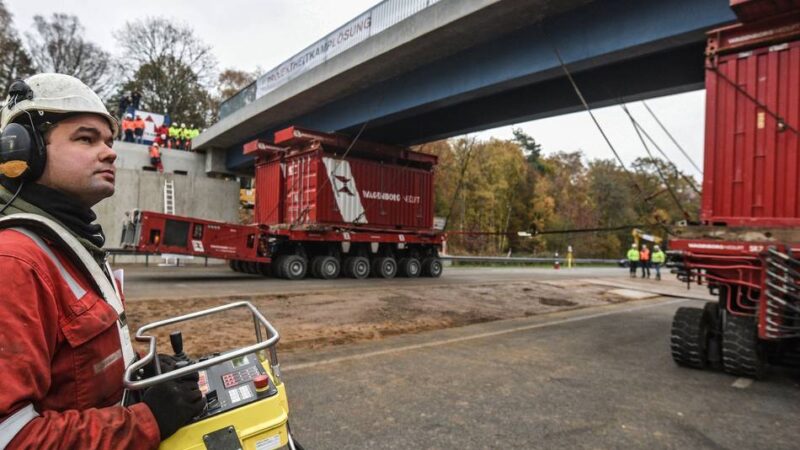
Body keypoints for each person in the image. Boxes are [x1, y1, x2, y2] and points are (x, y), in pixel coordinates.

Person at [0, 73, 204, 449]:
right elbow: (11, 438)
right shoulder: (15, 262)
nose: (110, 152)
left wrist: (145, 375)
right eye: (86, 138)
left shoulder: (69, 243)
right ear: (22, 152)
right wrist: (146, 420)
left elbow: (80, 367)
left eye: (109, 141)